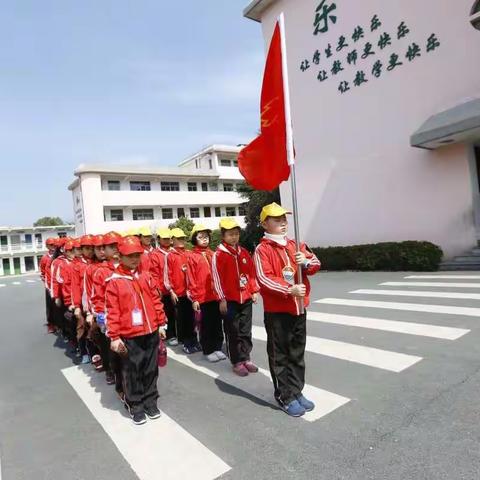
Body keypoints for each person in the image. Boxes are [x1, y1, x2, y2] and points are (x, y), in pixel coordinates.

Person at [254, 203, 321, 417]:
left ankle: (296, 390)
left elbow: (316, 263)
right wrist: (289, 289)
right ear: (265, 223)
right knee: (280, 355)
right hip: (278, 312)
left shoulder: (296, 244)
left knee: (297, 353)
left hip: (299, 309)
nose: (282, 223)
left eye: (284, 219)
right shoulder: (262, 250)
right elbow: (264, 279)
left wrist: (307, 261)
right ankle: (284, 395)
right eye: (276, 219)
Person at [106, 235, 167, 425]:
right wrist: (114, 337)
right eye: (130, 255)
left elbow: (156, 301)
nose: (134, 259)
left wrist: (161, 323)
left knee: (150, 370)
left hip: (150, 332)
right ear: (120, 256)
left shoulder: (146, 276)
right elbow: (112, 311)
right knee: (132, 372)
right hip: (129, 336)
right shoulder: (114, 281)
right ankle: (136, 405)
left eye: (137, 255)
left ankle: (150, 401)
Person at [212, 218, 259, 376]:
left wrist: (254, 291)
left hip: (245, 298)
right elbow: (216, 278)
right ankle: (237, 361)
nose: (234, 237)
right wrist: (222, 298)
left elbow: (251, 273)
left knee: (246, 330)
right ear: (223, 236)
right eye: (230, 234)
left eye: (236, 234)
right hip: (230, 300)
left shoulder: (244, 252)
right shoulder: (219, 255)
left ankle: (246, 358)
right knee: (233, 331)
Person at [187, 224, 226, 363]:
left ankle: (217, 347)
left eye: (206, 236)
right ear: (194, 239)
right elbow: (191, 279)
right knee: (206, 324)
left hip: (215, 295)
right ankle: (208, 349)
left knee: (217, 323)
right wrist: (195, 298)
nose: (204, 239)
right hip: (203, 298)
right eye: (201, 236)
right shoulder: (192, 257)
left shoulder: (213, 253)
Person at [91, 232, 123, 389]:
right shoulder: (101, 272)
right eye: (111, 247)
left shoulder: (130, 267)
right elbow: (97, 298)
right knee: (112, 350)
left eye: (118, 245)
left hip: (130, 320)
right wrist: (101, 317)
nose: (116, 249)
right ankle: (112, 372)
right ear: (105, 250)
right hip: (111, 320)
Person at [164, 228, 198, 354]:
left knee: (192, 318)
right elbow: (167, 274)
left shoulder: (189, 253)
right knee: (182, 318)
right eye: (178, 239)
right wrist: (171, 291)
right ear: (172, 240)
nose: (181, 241)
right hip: (178, 293)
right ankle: (185, 342)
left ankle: (194, 340)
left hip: (190, 292)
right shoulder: (170, 256)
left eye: (183, 238)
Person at [150, 228, 177, 345]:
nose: (166, 241)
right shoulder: (155, 254)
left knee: (176, 313)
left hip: (175, 289)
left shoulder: (175, 251)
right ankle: (169, 335)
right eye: (164, 238)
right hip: (162, 290)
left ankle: (176, 333)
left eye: (168, 238)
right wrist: (157, 289)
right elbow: (154, 273)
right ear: (159, 239)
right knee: (166, 312)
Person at [40, 238, 57, 333]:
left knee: (59, 306)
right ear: (47, 246)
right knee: (50, 306)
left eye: (54, 245)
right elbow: (42, 272)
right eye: (51, 245)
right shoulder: (44, 258)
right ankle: (50, 324)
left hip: (58, 285)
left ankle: (59, 324)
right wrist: (48, 285)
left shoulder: (59, 256)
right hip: (49, 286)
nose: (53, 247)